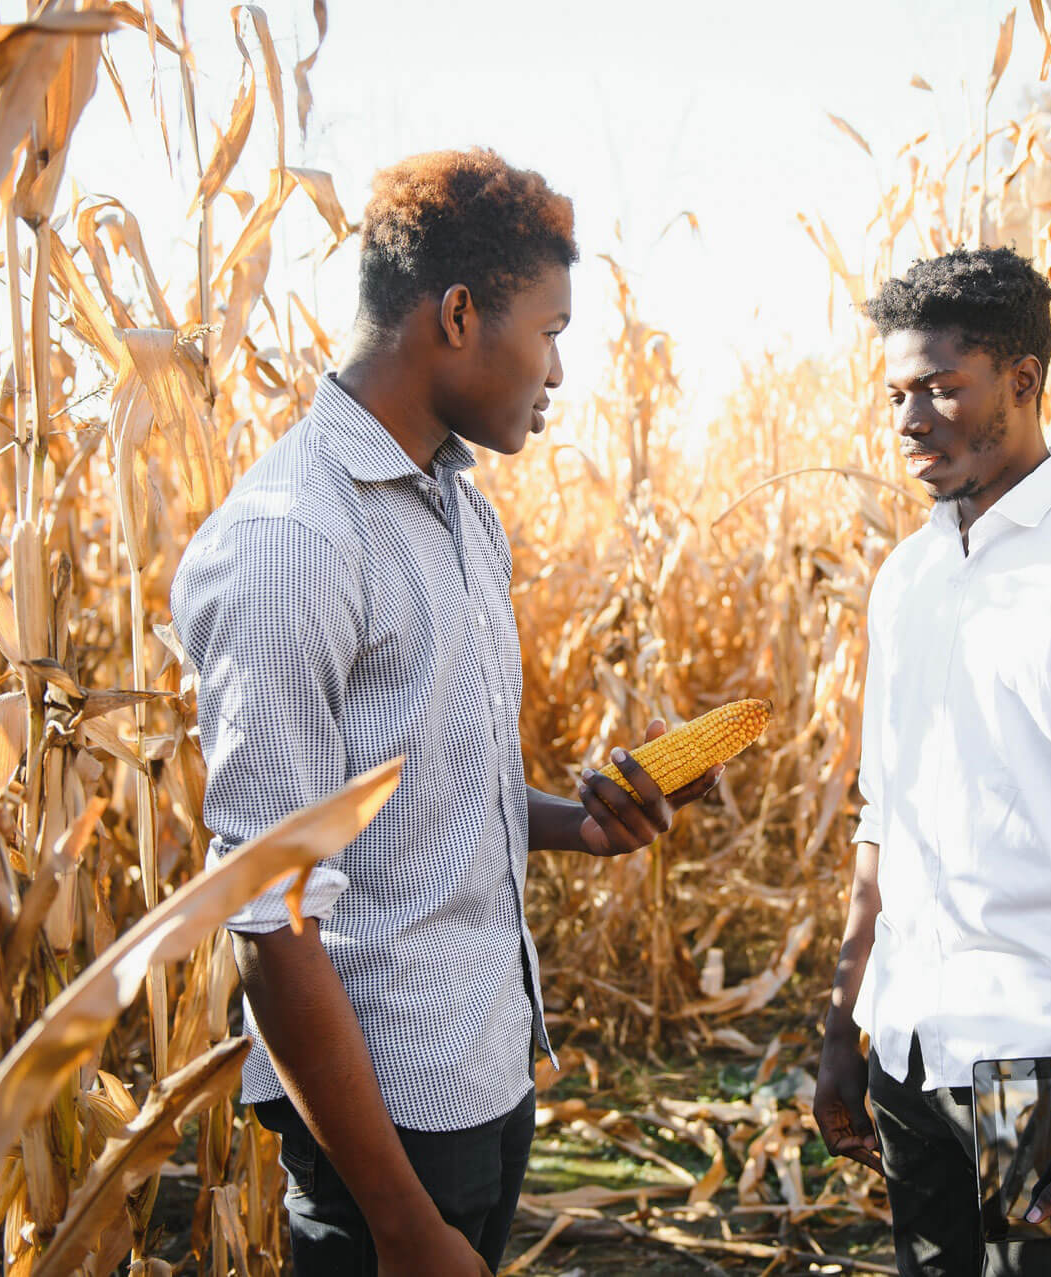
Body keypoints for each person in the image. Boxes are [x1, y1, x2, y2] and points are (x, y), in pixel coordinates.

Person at [171, 148, 718, 1277]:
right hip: (384, 1120)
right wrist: (401, 1221)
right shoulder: (294, 540)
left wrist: (582, 820)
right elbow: (269, 916)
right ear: (460, 315)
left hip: (484, 1070)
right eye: (551, 329)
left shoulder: (462, 514)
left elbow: (417, 789)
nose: (560, 369)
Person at [812, 247, 1051, 1276]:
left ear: (1023, 382)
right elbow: (881, 822)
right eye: (899, 393)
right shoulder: (906, 577)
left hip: (1045, 1063)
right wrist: (843, 1027)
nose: (910, 419)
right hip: (907, 1054)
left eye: (943, 387)